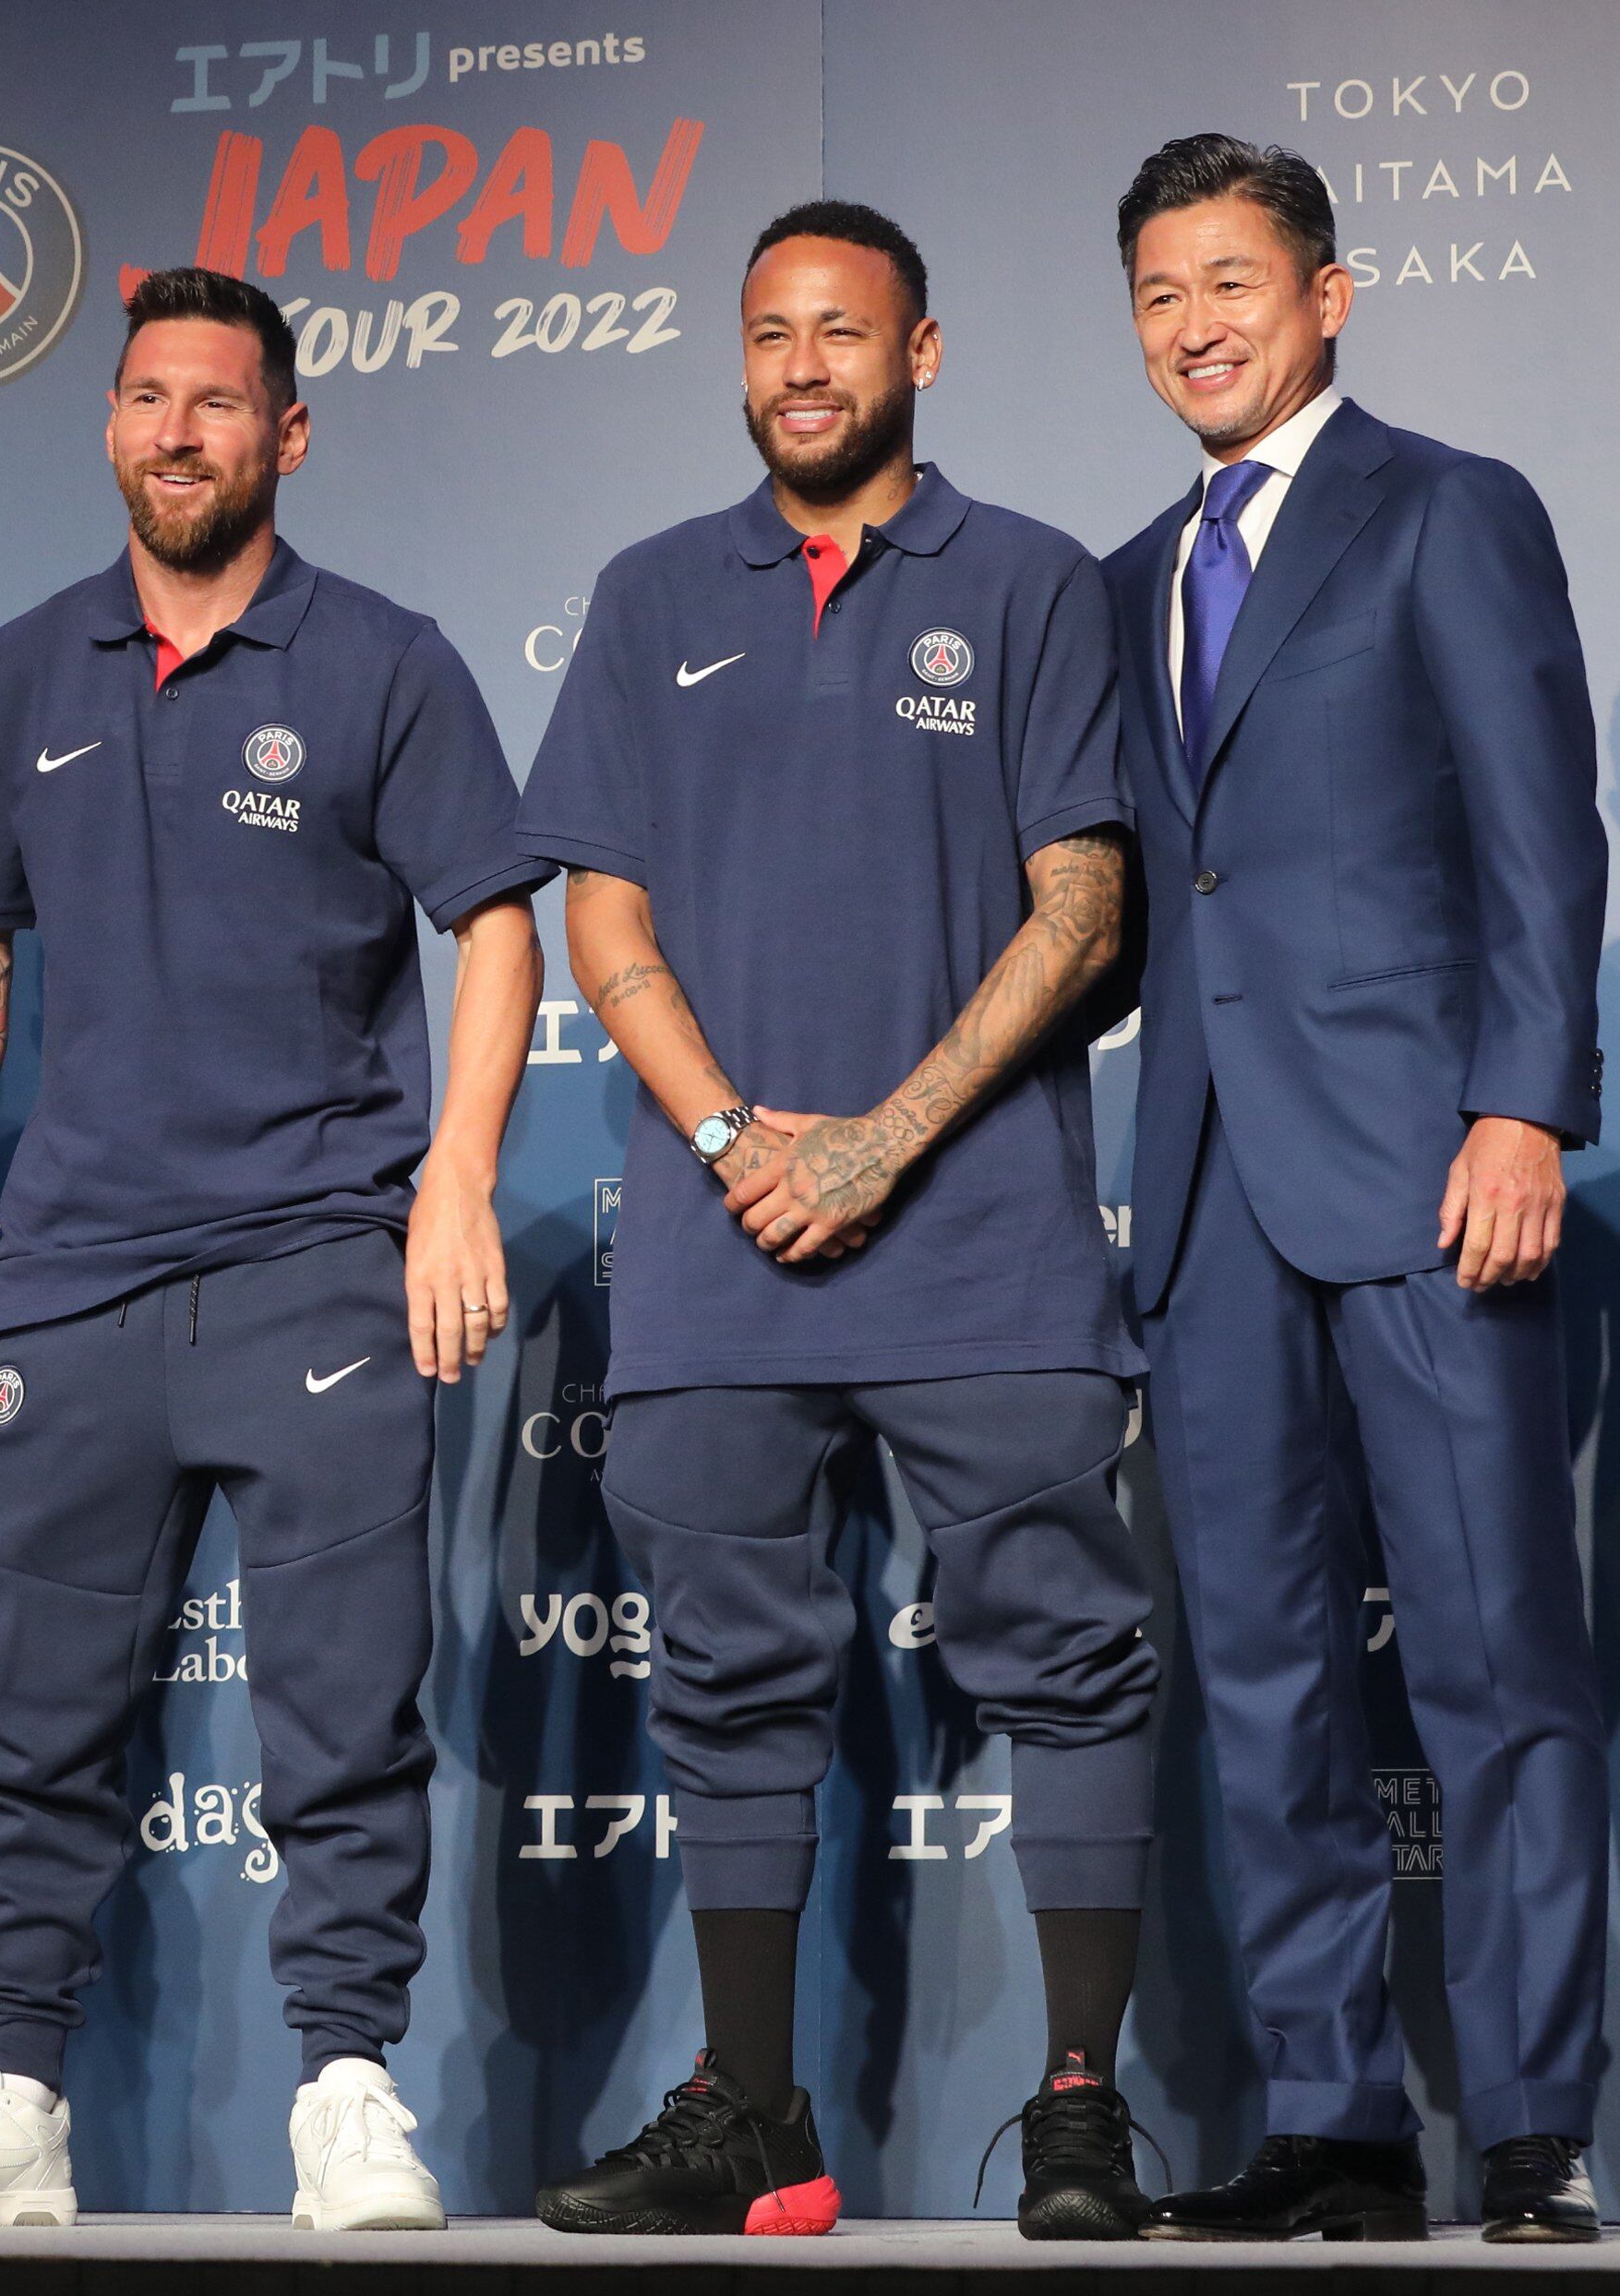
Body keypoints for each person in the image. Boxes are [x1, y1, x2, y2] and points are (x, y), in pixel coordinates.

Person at [0, 265, 547, 2234]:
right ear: (109, 423)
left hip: (319, 1248)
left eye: (218, 401)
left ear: (286, 433)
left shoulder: (382, 660)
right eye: (147, 396)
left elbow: (497, 919)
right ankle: (13, 2093)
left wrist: (457, 1175)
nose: (176, 430)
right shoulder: (21, 671)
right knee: (30, 1719)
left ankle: (347, 2091)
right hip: (68, 1268)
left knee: (340, 1707)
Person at [515, 204, 1157, 2242]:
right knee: (722, 1678)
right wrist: (728, 1135)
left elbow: (1086, 903)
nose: (804, 366)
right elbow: (592, 903)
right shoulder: (644, 591)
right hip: (717, 1251)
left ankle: (1075, 2106)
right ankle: (755, 2116)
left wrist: (879, 1138)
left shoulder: (1035, 580)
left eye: (843, 333)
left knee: (1063, 1657)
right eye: (771, 334)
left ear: (923, 351)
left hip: (984, 1238)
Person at [1100, 136, 1609, 2246]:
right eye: (1156, 293)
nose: (1194, 323)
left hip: (1425, 1166)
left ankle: (1526, 2124)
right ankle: (1327, 2113)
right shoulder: (1135, 563)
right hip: (1209, 1189)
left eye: (1230, 279)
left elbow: (1537, 829)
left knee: (1495, 1658)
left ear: (1326, 292)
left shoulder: (1449, 506)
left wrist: (1519, 1104)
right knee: (1262, 1668)